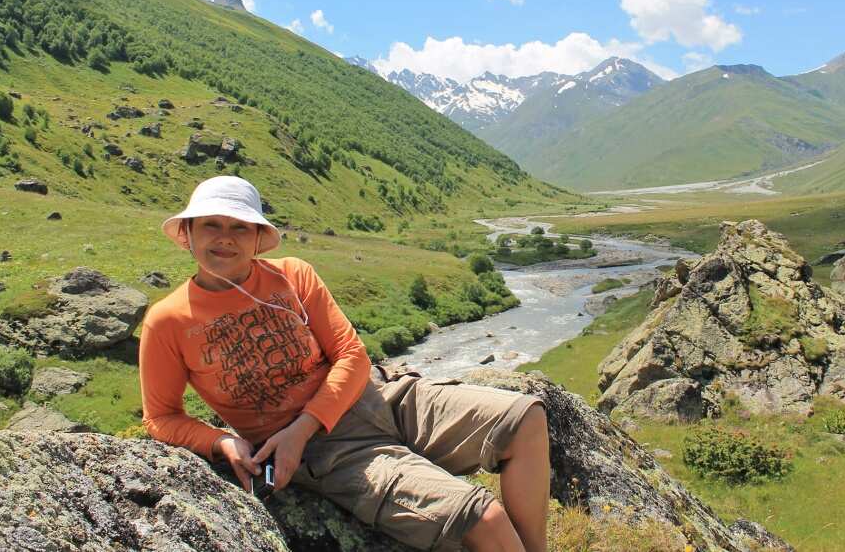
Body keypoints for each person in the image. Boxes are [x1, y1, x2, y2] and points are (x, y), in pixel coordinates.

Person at [139, 176, 550, 552]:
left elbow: (351, 354)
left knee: (525, 418)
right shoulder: (168, 321)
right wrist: (222, 442)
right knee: (482, 518)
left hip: (378, 396)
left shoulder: (293, 276)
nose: (225, 238)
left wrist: (303, 426)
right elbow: (161, 417)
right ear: (188, 233)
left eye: (240, 227)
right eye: (211, 225)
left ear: (258, 237)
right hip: (331, 452)